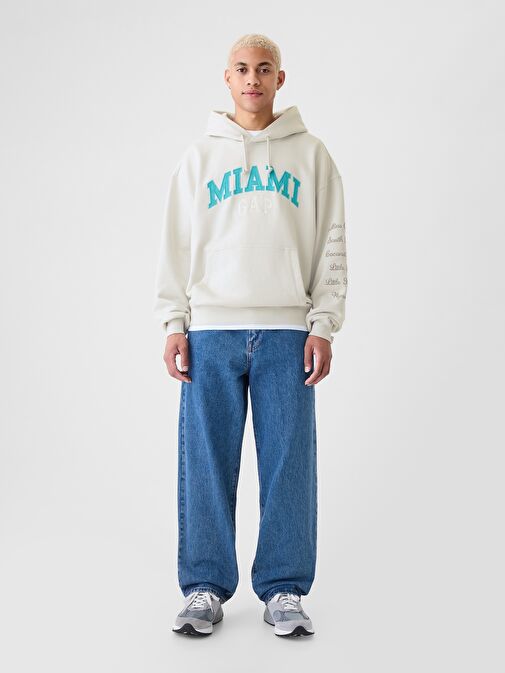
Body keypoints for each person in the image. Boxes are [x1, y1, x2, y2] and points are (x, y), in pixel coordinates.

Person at [153, 33, 348, 638]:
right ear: (228, 78)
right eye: (242, 69)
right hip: (211, 330)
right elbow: (175, 243)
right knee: (206, 462)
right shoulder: (199, 158)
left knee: (289, 463)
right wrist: (174, 322)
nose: (253, 79)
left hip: (287, 331)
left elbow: (331, 242)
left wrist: (324, 323)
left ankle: (284, 588)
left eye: (264, 69)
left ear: (280, 78)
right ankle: (205, 586)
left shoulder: (312, 155)